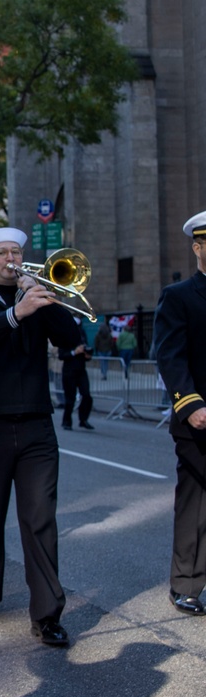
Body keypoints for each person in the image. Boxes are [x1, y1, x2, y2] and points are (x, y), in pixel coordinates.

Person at [0, 227, 82, 648]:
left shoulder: (38, 297)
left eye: (17, 252)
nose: (11, 258)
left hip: (36, 425)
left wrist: (41, 296)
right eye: (3, 252)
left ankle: (47, 615)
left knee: (40, 518)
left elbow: (70, 337)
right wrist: (17, 312)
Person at [152, 210, 206, 616]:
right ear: (197, 247)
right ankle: (186, 584)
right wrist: (190, 402)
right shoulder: (180, 296)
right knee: (195, 501)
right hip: (199, 419)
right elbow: (168, 355)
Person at [59, 338, 93, 430]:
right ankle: (66, 422)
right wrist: (74, 352)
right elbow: (61, 355)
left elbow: (87, 353)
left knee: (87, 395)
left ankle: (83, 419)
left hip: (81, 371)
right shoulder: (65, 339)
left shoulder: (81, 339)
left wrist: (87, 355)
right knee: (70, 398)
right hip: (69, 372)